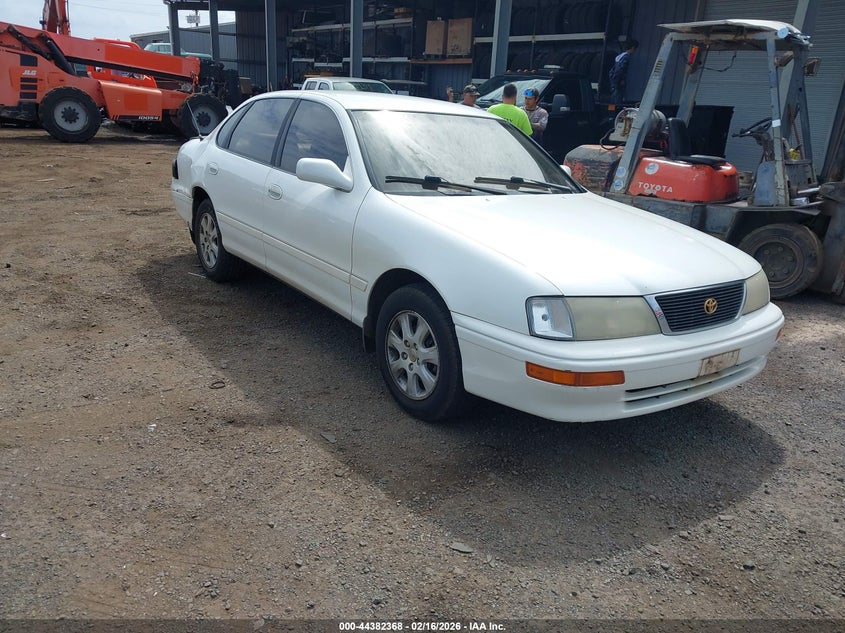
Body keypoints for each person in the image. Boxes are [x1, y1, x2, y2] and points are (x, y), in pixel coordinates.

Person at [609, 39, 638, 104]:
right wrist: (621, 80)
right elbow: (621, 69)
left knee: (612, 99)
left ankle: (610, 111)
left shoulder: (619, 56)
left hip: (614, 80)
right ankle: (614, 113)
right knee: (617, 99)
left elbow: (613, 70)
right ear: (633, 48)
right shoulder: (626, 57)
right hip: (618, 81)